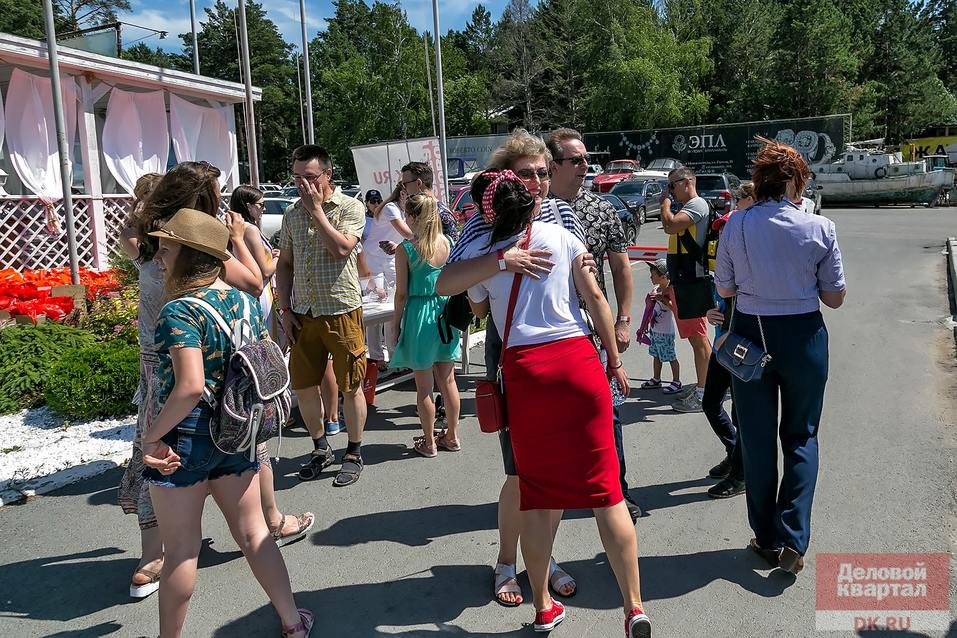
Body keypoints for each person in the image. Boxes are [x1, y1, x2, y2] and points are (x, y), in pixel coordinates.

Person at [458, 170, 651, 637]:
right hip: (579, 361)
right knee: (608, 493)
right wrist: (614, 358)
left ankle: (542, 605)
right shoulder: (563, 236)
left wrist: (500, 266)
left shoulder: (490, 254)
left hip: (529, 373)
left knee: (537, 494)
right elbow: (596, 296)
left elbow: (479, 310)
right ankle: (635, 609)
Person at [119, 166, 315, 603]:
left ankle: (155, 557)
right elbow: (253, 282)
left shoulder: (159, 238)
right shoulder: (197, 243)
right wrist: (236, 237)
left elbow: (127, 237)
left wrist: (144, 215)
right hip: (215, 369)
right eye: (217, 191)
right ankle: (272, 543)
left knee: (161, 464)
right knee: (242, 454)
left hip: (167, 367)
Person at [436, 129, 586, 608]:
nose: (537, 182)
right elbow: (448, 284)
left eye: (543, 173)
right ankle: (505, 561)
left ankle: (544, 559)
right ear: (505, 176)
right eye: (526, 173)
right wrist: (503, 259)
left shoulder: (562, 213)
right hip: (511, 353)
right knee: (521, 472)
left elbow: (584, 280)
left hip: (565, 350)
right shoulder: (484, 223)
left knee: (556, 471)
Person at [715, 137, 846, 574]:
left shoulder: (737, 223)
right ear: (794, 182)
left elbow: (726, 289)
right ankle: (794, 538)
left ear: (761, 181)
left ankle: (765, 537)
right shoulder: (819, 228)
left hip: (753, 334)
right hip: (805, 335)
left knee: (756, 440)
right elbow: (835, 298)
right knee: (802, 435)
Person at [545, 127, 641, 523]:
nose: (586, 166)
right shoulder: (533, 210)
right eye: (577, 160)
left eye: (586, 159)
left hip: (593, 327)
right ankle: (554, 492)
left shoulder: (601, 209)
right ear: (553, 166)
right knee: (552, 420)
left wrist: (622, 320)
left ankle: (617, 490)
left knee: (607, 412)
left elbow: (620, 267)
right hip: (549, 330)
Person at [276, 145, 369, 487]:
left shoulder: (350, 207)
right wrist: (284, 308)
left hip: (341, 310)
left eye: (310, 177)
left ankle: (354, 451)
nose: (302, 184)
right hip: (303, 312)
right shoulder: (290, 214)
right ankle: (319, 447)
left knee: (350, 386)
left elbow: (343, 248)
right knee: (303, 385)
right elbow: (285, 264)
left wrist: (317, 211)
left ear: (328, 175)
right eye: (297, 177)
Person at [389, 193, 462, 456]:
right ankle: (452, 436)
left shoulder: (407, 249)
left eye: (407, 214)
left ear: (415, 216)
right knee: (448, 380)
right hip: (444, 312)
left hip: (420, 314)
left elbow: (401, 293)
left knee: (424, 386)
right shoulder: (449, 242)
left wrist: (396, 325)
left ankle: (429, 441)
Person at [695, 181, 756, 498]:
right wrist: (714, 310)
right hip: (724, 341)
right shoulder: (729, 252)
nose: (721, 237)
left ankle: (742, 473)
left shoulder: (754, 247)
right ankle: (735, 454)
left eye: (739, 199)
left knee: (740, 411)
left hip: (743, 342)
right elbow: (723, 297)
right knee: (711, 402)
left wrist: (728, 312)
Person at [660, 166, 713, 412]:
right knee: (696, 339)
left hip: (693, 281)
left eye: (672, 185)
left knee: (698, 340)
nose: (669, 190)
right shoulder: (690, 207)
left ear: (687, 182)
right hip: (685, 280)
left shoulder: (696, 205)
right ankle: (708, 386)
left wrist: (664, 204)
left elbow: (670, 226)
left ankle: (705, 393)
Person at [229, 185, 280, 337]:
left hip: (243, 289)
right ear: (248, 206)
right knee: (267, 338)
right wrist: (278, 257)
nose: (263, 209)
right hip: (260, 292)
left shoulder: (233, 227)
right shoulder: (250, 229)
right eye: (260, 205)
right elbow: (265, 270)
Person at [638, 259, 681, 393]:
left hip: (666, 332)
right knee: (656, 355)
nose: (651, 277)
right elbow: (650, 309)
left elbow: (674, 308)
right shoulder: (655, 289)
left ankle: (676, 381)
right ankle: (656, 378)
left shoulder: (669, 292)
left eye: (653, 274)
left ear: (663, 276)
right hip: (655, 330)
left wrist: (661, 298)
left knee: (670, 356)